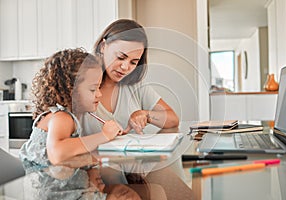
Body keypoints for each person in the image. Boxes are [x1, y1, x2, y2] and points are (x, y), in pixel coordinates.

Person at [19, 48, 142, 200]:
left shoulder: (64, 116)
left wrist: (92, 171)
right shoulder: (62, 117)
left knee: (125, 191)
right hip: (59, 196)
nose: (99, 94)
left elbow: (72, 156)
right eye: (93, 89)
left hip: (67, 190)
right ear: (71, 91)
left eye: (98, 87)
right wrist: (104, 135)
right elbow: (57, 154)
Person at [81, 19, 179, 136]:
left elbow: (173, 119)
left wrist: (146, 115)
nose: (125, 67)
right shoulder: (81, 83)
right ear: (103, 46)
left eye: (133, 62)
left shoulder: (135, 85)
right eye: (120, 57)